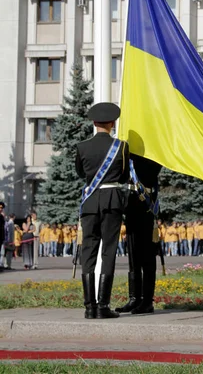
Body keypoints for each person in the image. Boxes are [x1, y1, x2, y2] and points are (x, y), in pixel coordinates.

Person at [75, 102, 130, 319]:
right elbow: (124, 176)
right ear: (112, 123)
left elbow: (82, 174)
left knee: (88, 251)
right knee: (108, 251)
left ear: (94, 123)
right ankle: (103, 306)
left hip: (90, 203)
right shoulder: (121, 147)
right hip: (112, 201)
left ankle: (89, 307)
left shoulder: (82, 147)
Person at [116, 155, 162, 315]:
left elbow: (153, 171)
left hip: (146, 207)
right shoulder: (129, 158)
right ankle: (134, 298)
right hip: (131, 207)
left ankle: (147, 301)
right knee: (133, 257)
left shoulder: (152, 157)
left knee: (147, 258)